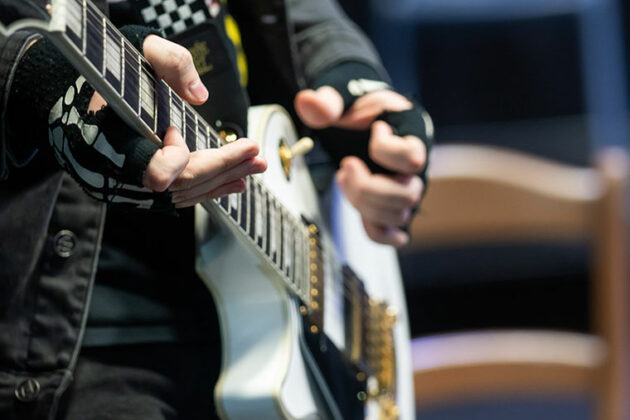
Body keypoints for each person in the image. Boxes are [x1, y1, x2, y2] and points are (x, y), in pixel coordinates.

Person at [0, 0, 433, 419]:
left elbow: (299, 17)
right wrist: (39, 78)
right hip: (97, 330)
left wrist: (351, 80)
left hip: (270, 302)